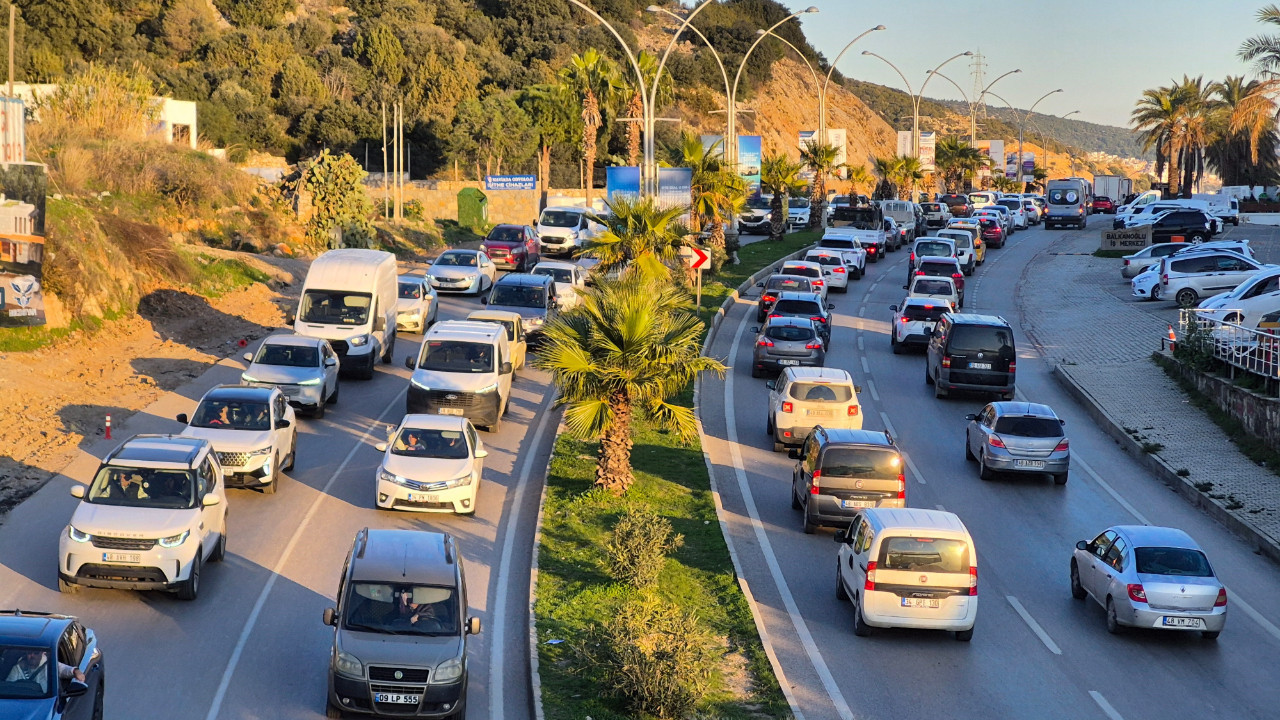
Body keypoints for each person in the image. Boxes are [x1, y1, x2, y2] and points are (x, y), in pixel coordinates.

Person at [5, 648, 84, 693]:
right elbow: (8, 687)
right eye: (29, 653)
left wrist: (76, 671)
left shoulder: (49, 664)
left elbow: (64, 669)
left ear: (42, 653)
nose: (32, 656)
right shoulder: (18, 668)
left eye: (36, 653)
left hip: (46, 701)